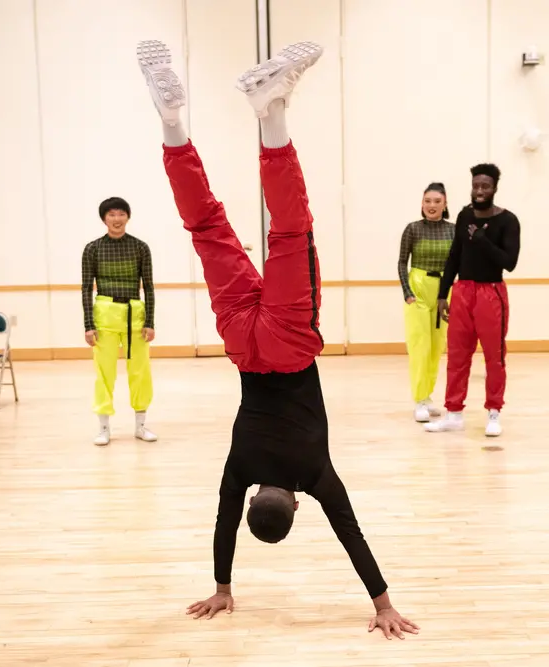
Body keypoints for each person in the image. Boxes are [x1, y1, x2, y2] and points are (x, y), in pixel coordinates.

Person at [136, 38, 418, 639]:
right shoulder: (239, 469)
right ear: (256, 502)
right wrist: (221, 588)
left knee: (292, 230)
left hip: (290, 342)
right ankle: (172, 124)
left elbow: (353, 536)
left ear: (294, 505)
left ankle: (272, 112)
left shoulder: (315, 474)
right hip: (241, 343)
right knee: (206, 225)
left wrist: (384, 605)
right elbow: (220, 526)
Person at [424, 164, 520, 437]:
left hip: (491, 293)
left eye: (485, 186)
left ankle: (494, 412)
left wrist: (482, 240)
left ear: (495, 188)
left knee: (494, 356)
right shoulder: (465, 215)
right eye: (476, 185)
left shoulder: (508, 221)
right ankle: (453, 413)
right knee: (457, 356)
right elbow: (455, 254)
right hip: (463, 291)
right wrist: (444, 293)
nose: (479, 191)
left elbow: (510, 262)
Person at [81, 196, 158, 446]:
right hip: (104, 316)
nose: (117, 219)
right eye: (111, 215)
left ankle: (141, 425)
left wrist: (150, 321)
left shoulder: (140, 247)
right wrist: (88, 325)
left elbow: (148, 286)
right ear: (104, 218)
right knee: (104, 373)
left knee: (140, 372)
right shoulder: (93, 249)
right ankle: (104, 428)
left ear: (128, 216)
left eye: (121, 214)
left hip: (134, 315)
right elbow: (85, 289)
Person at [398, 183, 455, 422]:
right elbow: (402, 262)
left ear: (445, 204)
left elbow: (456, 264)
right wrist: (407, 291)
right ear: (422, 204)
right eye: (428, 201)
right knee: (420, 345)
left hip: (444, 291)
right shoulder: (413, 229)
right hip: (419, 288)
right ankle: (419, 399)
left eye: (437, 201)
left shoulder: (453, 231)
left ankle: (428, 395)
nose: (432, 206)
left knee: (437, 346)